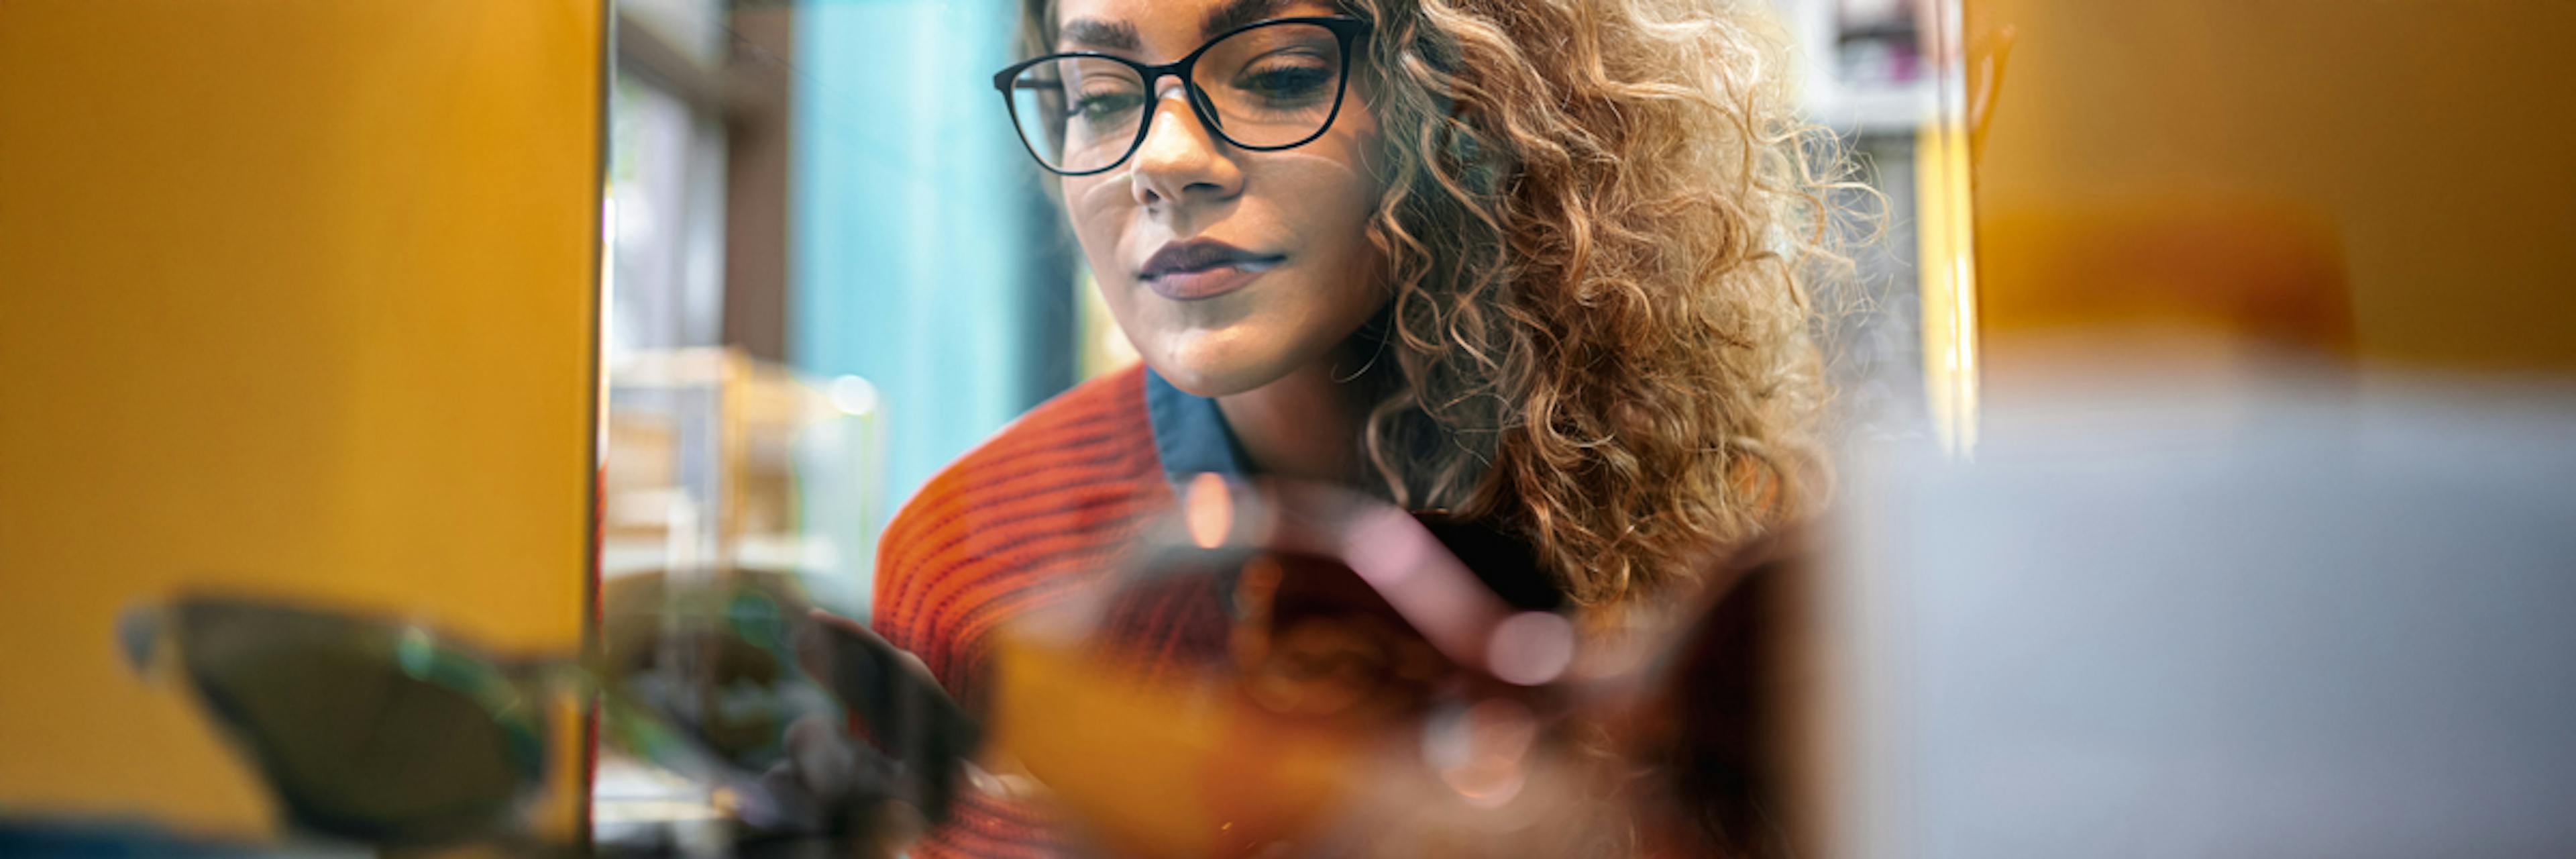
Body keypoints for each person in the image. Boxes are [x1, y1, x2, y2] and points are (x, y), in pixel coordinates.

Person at [862, 0, 1851, 853]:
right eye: (1099, 97)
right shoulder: (976, 561)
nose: (1160, 161)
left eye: (1280, 76)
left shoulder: (1699, 540)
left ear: (1466, 94)